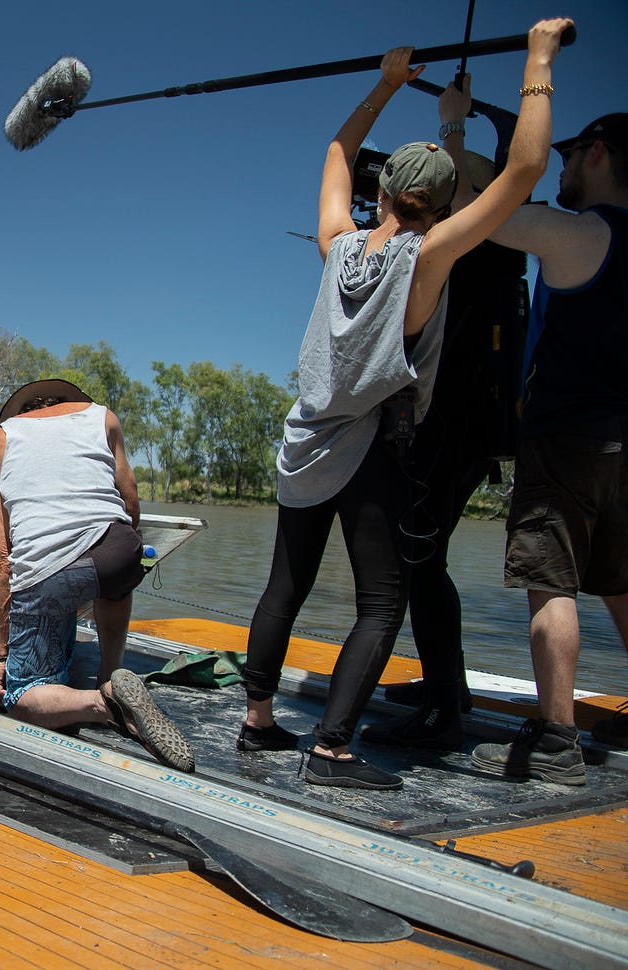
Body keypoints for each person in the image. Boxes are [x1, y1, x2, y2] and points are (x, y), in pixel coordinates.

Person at [239, 21, 571, 791]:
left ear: (381, 194)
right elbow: (522, 173)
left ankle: (257, 724)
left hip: (304, 442)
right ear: (443, 206)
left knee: (284, 586)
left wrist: (388, 84)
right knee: (382, 602)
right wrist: (538, 62)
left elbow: (334, 155)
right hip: (370, 451)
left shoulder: (337, 244)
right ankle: (331, 751)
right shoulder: (429, 260)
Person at [457, 109, 628, 785]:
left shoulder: (581, 233)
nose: (560, 169)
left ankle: (557, 741)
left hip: (566, 436)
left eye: (570, 155)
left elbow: (479, 214)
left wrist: (453, 135)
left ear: (597, 155)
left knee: (549, 583)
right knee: (620, 580)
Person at [362, 153, 526, 750]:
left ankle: (442, 710)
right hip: (467, 428)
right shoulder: (495, 254)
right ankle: (445, 687)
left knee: (421, 564)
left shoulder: (482, 239)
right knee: (425, 561)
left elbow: (506, 178)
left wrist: (452, 126)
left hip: (453, 429)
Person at [0, 379, 194, 773]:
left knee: (21, 695)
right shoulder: (103, 418)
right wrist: (129, 552)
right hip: (119, 550)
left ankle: (104, 703)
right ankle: (111, 673)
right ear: (67, 403)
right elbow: (130, 498)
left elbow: (3, 556)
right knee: (113, 579)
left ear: (20, 414)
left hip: (50, 574)